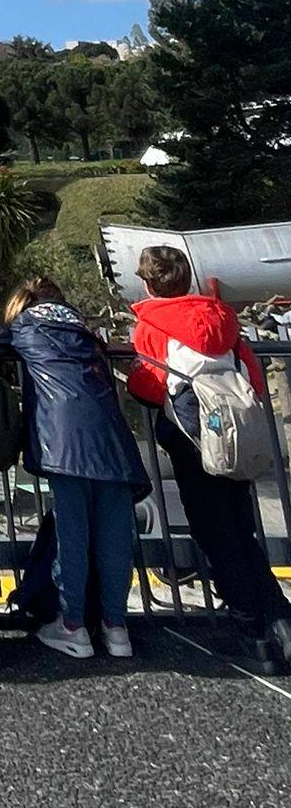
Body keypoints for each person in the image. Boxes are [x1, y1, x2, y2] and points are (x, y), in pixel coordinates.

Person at [127, 245, 291, 674]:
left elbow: (149, 386)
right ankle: (280, 618)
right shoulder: (220, 317)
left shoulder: (151, 324)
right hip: (237, 435)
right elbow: (252, 375)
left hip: (193, 440)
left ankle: (253, 632)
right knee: (241, 530)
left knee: (215, 535)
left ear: (148, 283)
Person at [0, 277, 148, 660]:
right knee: (115, 537)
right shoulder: (85, 330)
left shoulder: (23, 325)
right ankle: (116, 626)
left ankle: (72, 624)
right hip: (112, 437)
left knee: (72, 536)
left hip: (63, 439)